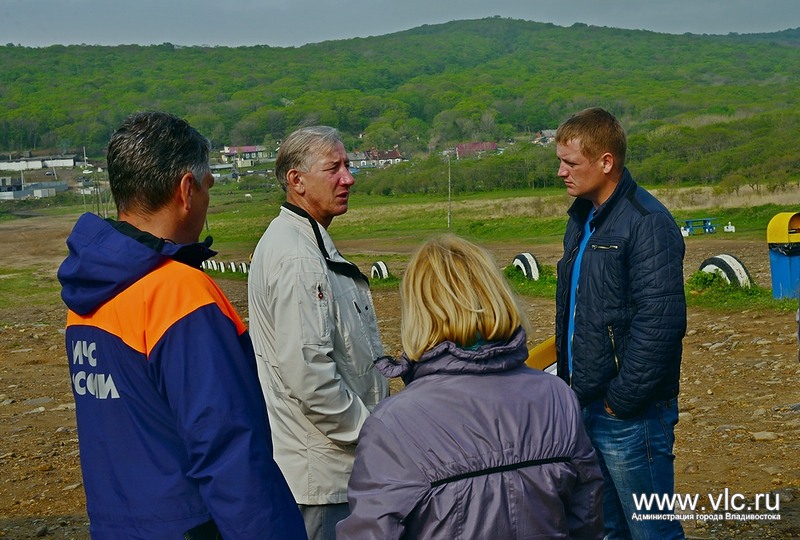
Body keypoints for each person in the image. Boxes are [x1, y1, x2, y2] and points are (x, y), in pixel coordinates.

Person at [57, 111, 306, 539]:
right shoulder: (180, 293)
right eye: (208, 186)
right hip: (191, 524)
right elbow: (229, 451)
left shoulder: (87, 294)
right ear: (187, 190)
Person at [337, 234, 604, 539]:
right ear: (496, 294)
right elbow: (587, 517)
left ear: (418, 311)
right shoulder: (558, 398)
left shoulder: (392, 426)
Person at [247, 125, 389, 540]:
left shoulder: (305, 241)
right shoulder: (298, 258)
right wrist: (375, 435)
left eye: (348, 165)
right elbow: (310, 376)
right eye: (334, 168)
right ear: (296, 181)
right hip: (324, 473)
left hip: (328, 466)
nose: (349, 177)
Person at [554, 107, 687, 539]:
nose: (561, 172)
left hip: (632, 414)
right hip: (587, 404)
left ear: (606, 162)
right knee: (607, 530)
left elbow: (661, 325)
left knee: (652, 532)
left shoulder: (647, 223)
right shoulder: (581, 218)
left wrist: (621, 401)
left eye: (570, 163)